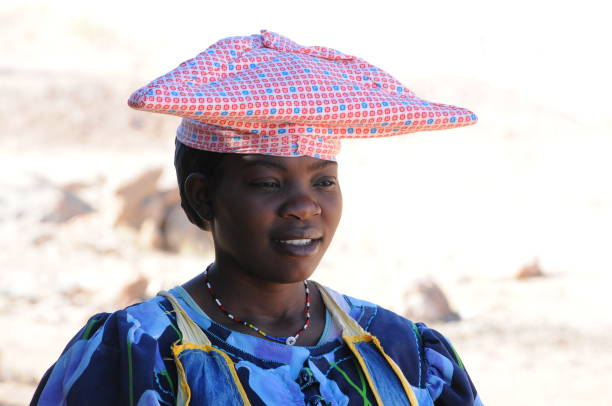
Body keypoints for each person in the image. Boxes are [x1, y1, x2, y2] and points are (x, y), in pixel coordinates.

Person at [31, 30, 482, 405]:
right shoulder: (135, 354)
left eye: (324, 182)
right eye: (268, 183)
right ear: (203, 196)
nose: (305, 206)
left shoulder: (404, 354)